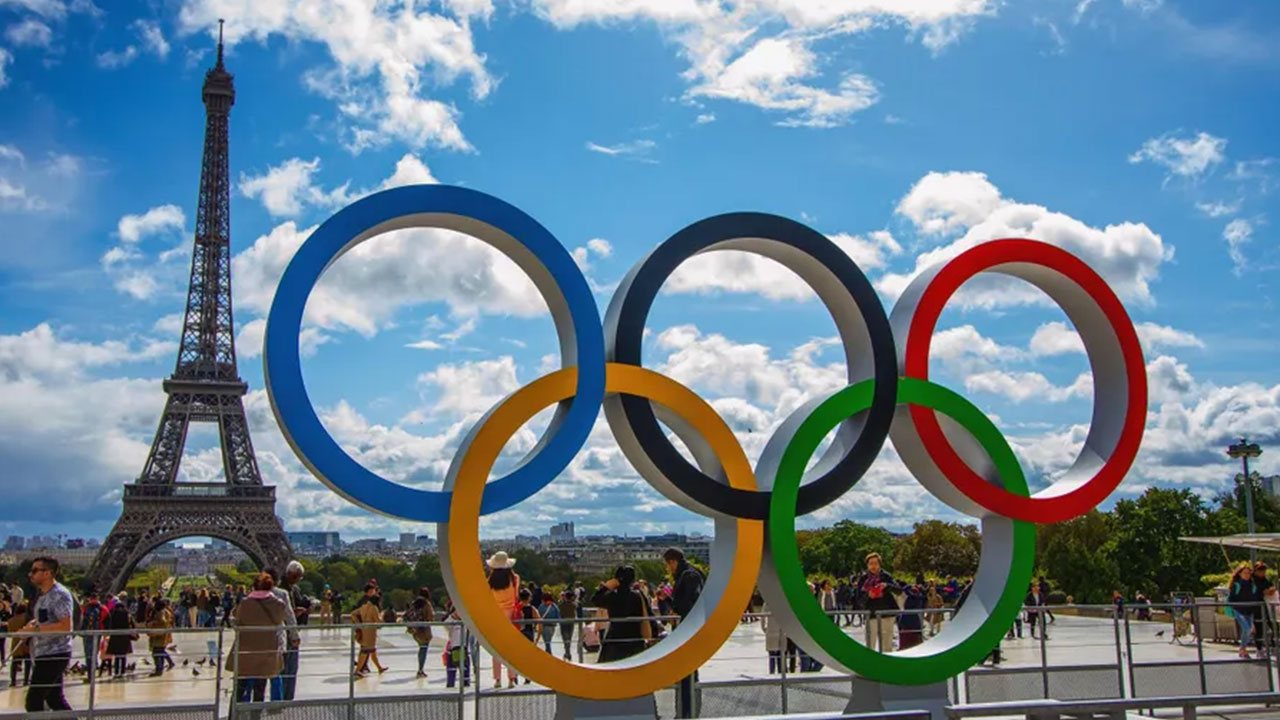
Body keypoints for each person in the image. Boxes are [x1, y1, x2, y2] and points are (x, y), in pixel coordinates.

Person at [23, 557, 75, 712]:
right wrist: (33, 625)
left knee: (34, 701)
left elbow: (66, 627)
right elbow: (47, 619)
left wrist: (35, 631)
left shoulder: (59, 594)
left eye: (34, 570)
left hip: (54, 654)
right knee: (54, 699)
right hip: (46, 653)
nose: (30, 574)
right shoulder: (44, 595)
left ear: (47, 573)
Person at [233, 573, 286, 715]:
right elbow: (279, 621)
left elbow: (237, 622)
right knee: (259, 689)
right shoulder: (278, 604)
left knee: (240, 688)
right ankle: (255, 717)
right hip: (266, 651)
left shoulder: (244, 604)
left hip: (246, 651)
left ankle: (235, 715)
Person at [664, 547, 703, 718]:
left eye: (667, 564)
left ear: (673, 561)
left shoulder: (688, 576)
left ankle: (687, 711)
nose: (667, 569)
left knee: (686, 674)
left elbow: (686, 603)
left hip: (687, 629)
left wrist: (670, 604)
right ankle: (686, 710)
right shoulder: (691, 574)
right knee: (687, 674)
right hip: (689, 628)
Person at [592, 565, 649, 663]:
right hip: (635, 639)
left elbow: (595, 600)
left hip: (615, 640)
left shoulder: (613, 596)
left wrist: (606, 587)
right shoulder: (638, 596)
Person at [852, 552, 902, 652]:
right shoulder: (863, 579)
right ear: (867, 565)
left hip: (887, 613)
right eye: (871, 563)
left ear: (879, 564)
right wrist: (868, 595)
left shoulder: (886, 576)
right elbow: (858, 599)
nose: (873, 566)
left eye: (875, 563)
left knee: (887, 645)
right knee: (870, 644)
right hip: (871, 614)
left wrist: (886, 586)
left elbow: (899, 590)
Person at [486, 551, 521, 688]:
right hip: (510, 614)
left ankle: (497, 679)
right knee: (510, 649)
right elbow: (516, 596)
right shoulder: (514, 578)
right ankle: (512, 678)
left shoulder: (490, 580)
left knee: (497, 649)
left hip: (495, 615)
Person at [279, 561, 309, 700]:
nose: (298, 579)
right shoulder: (284, 591)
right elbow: (287, 614)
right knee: (288, 668)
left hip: (288, 633)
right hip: (286, 633)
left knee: (288, 668)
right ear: (291, 574)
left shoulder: (292, 589)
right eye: (298, 576)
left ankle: (284, 697)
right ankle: (285, 697)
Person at [351, 591, 388, 677]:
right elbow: (378, 621)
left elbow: (353, 614)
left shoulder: (363, 607)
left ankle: (379, 667)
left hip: (364, 629)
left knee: (372, 651)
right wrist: (382, 619)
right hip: (370, 631)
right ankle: (357, 670)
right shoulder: (374, 608)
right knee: (365, 651)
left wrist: (359, 625)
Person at [1229, 563, 1261, 659]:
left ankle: (1243, 648)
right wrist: (1237, 607)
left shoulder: (1252, 585)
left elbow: (1255, 598)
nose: (1247, 575)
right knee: (1246, 628)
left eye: (1248, 573)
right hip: (1239, 610)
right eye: (1245, 573)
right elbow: (1231, 599)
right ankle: (1243, 648)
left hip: (1249, 611)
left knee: (1247, 630)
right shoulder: (1237, 585)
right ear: (1240, 574)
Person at [405, 590, 436, 678]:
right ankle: (420, 670)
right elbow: (430, 617)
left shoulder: (414, 603)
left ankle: (420, 669)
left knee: (421, 649)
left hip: (415, 631)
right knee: (423, 649)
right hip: (424, 631)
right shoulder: (426, 604)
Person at [105, 595, 135, 680]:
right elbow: (132, 624)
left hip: (115, 636)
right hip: (125, 636)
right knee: (123, 655)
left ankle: (116, 672)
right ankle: (123, 672)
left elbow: (109, 624)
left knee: (117, 655)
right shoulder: (127, 613)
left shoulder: (113, 613)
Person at [145, 598, 175, 676]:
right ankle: (160, 668)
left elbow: (162, 621)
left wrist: (152, 623)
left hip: (158, 635)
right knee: (160, 652)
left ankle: (159, 669)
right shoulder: (166, 611)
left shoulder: (160, 612)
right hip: (162, 635)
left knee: (157, 652)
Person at [897, 577, 926, 650]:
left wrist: (909, 586)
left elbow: (905, 589)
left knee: (912, 638)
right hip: (909, 619)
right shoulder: (919, 596)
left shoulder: (917, 596)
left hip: (910, 619)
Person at [9, 599, 32, 687]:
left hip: (15, 643)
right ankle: (26, 680)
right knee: (27, 663)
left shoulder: (11, 620)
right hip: (26, 643)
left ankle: (13, 681)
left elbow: (9, 631)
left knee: (14, 663)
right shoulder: (27, 618)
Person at [761, 602, 789, 674]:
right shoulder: (782, 603)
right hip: (781, 632)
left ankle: (772, 674)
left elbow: (762, 618)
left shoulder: (767, 604)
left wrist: (764, 628)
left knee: (772, 657)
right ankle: (781, 674)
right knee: (780, 657)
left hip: (771, 632)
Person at [1254, 563, 1275, 657]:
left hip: (1263, 603)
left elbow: (1271, 586)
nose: (1262, 573)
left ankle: (1273, 644)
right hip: (1255, 604)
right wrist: (1263, 591)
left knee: (1271, 623)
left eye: (1263, 571)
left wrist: (1271, 590)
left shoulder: (1265, 579)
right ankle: (1259, 649)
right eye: (1260, 570)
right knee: (1259, 626)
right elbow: (1256, 590)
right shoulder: (1252, 579)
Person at [556, 590, 577, 660]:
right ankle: (568, 652)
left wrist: (562, 598)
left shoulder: (561, 604)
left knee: (565, 638)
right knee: (569, 638)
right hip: (571, 623)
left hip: (563, 623)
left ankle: (567, 652)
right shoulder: (573, 605)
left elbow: (559, 604)